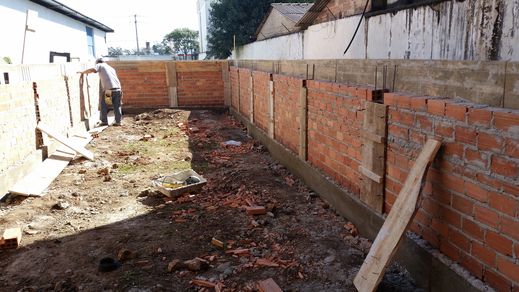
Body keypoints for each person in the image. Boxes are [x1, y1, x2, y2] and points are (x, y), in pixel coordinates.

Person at [80, 57, 123, 126]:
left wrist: (83, 72)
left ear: (98, 62)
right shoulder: (111, 68)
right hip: (118, 89)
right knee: (117, 106)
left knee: (104, 105)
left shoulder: (100, 65)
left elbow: (93, 70)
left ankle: (104, 121)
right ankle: (118, 122)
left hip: (109, 90)